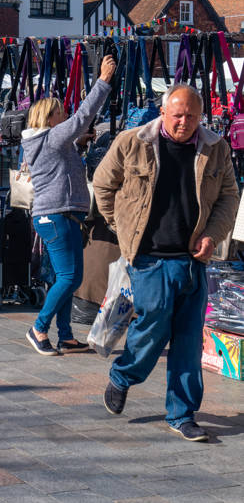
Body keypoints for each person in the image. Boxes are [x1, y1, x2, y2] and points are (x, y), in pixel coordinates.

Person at [93, 83, 238, 442]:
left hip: (193, 261)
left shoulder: (216, 149)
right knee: (152, 331)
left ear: (200, 116)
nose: (184, 122)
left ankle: (182, 413)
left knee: (189, 342)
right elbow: (102, 184)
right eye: (177, 114)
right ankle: (123, 375)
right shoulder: (132, 142)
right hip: (150, 259)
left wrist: (213, 236)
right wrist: (121, 227)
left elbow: (229, 197)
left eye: (191, 115)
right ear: (163, 112)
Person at [21, 55, 116, 355]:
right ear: (50, 119)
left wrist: (78, 145)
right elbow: (82, 117)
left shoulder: (50, 141)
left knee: (70, 276)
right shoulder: (49, 137)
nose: (65, 117)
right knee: (68, 276)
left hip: (64, 214)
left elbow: (65, 153)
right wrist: (103, 80)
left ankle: (65, 336)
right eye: (60, 114)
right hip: (56, 215)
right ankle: (38, 328)